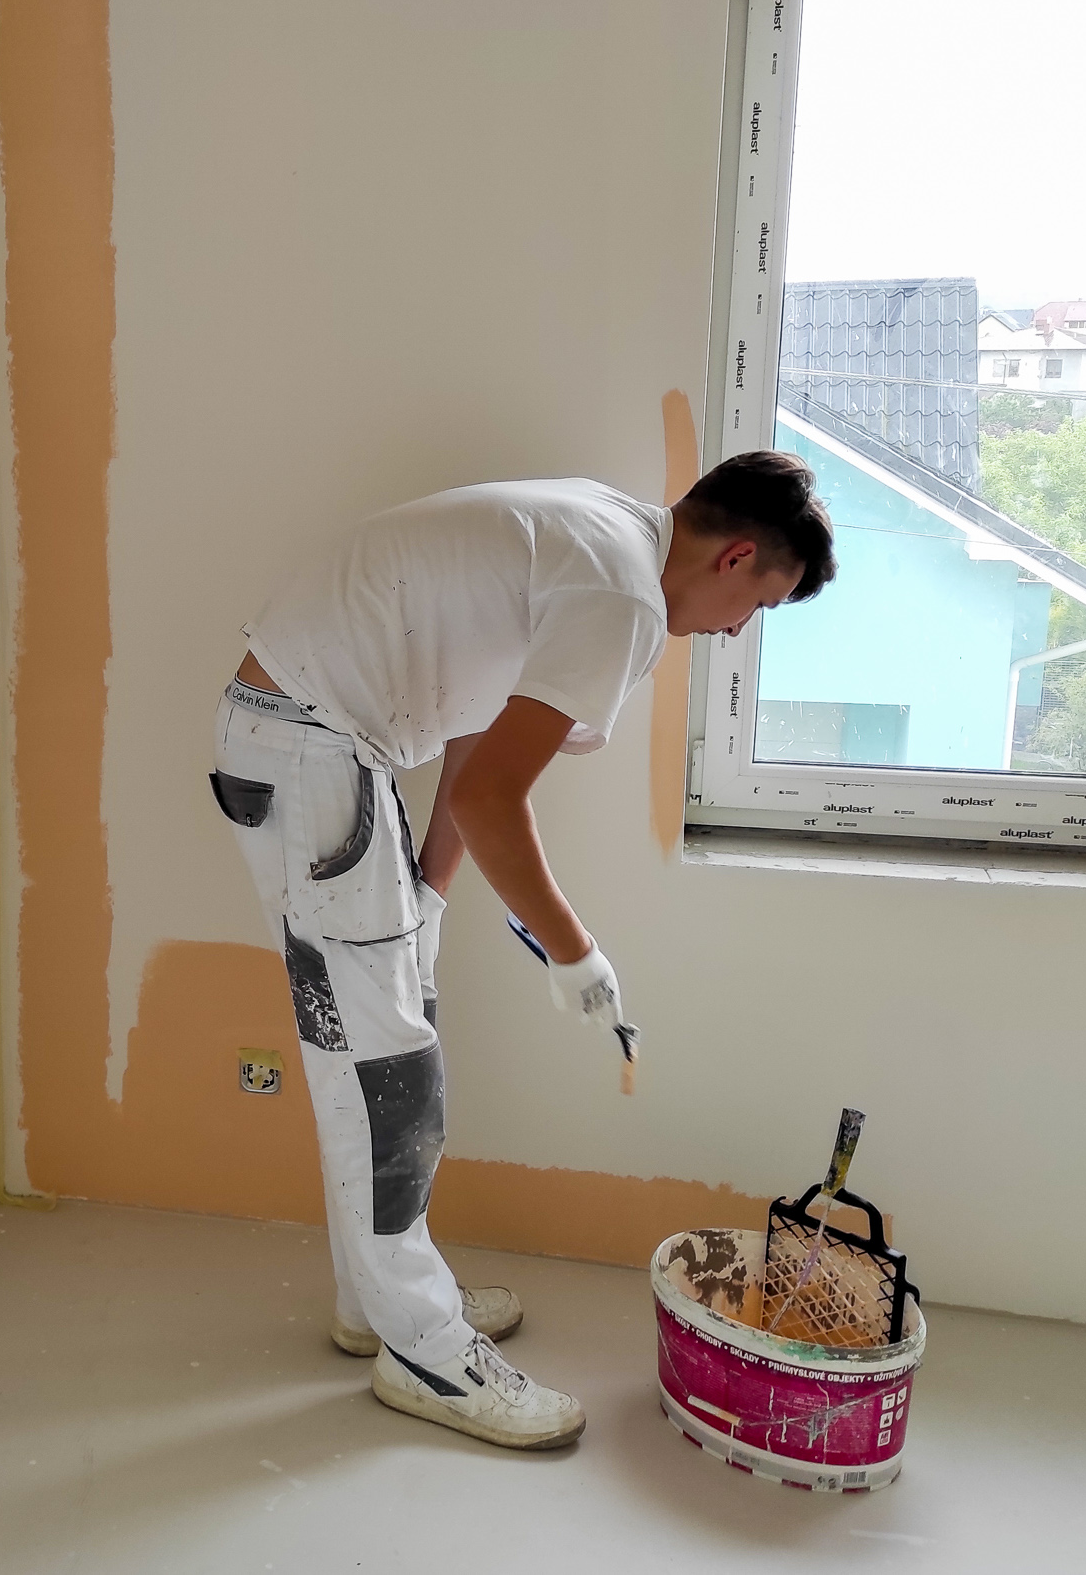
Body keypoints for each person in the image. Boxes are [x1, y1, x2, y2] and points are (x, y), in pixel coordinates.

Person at [208, 450, 835, 1450]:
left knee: (377, 1050)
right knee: (387, 1076)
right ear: (736, 556)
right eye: (755, 605)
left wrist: (429, 888)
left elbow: (478, 730)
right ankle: (423, 1349)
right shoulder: (622, 594)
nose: (734, 630)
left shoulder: (601, 531)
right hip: (311, 747)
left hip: (313, 743)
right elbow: (493, 795)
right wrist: (573, 950)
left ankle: (378, 1304)